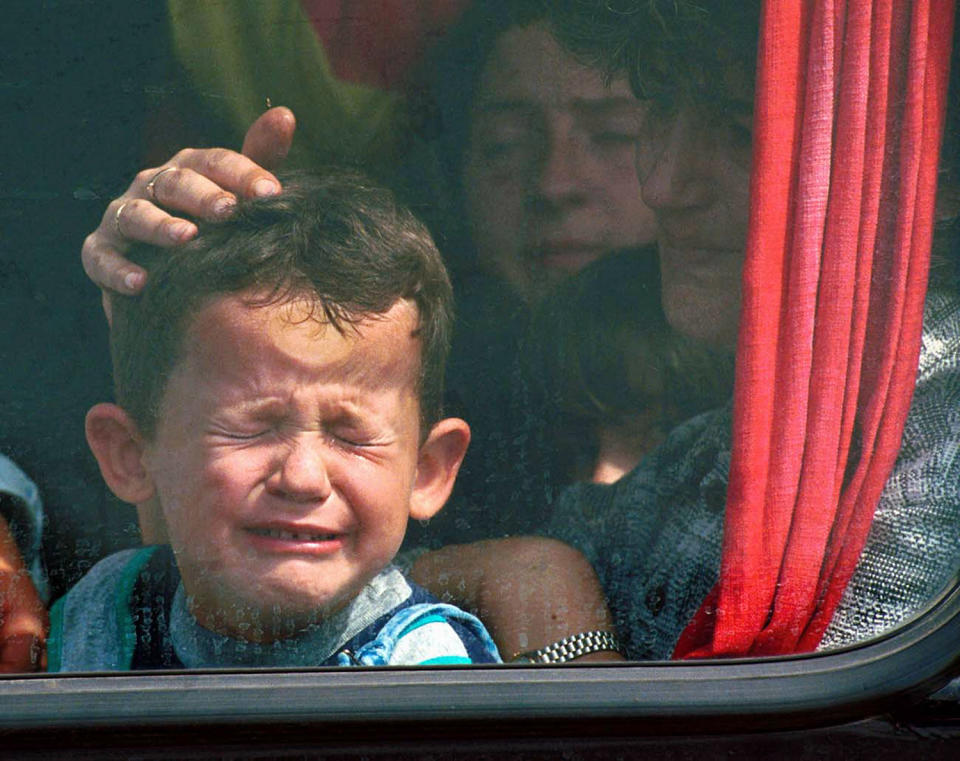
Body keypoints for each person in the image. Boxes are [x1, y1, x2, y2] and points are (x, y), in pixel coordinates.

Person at [47, 171, 502, 670]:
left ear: (427, 471)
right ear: (130, 456)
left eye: (351, 435)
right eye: (250, 428)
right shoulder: (105, 614)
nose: (303, 479)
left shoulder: (424, 671)